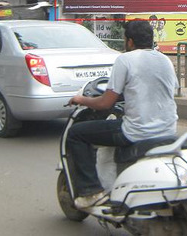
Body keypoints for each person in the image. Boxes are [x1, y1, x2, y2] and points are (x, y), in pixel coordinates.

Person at [66, 20, 179, 210]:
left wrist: (81, 99)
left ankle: (92, 191)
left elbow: (105, 103)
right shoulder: (164, 59)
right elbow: (169, 90)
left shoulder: (125, 60)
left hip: (137, 132)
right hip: (168, 130)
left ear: (130, 41)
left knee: (77, 133)